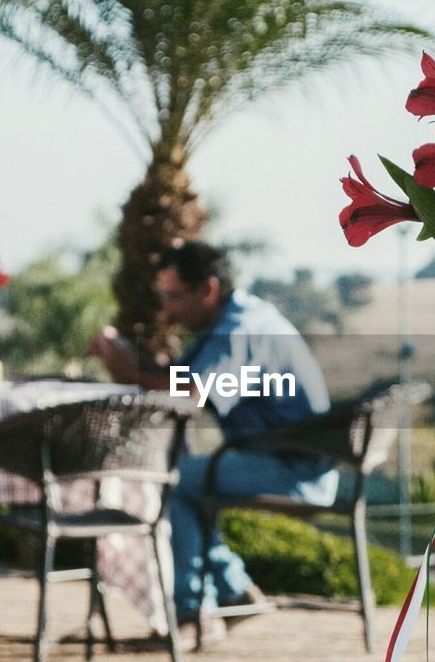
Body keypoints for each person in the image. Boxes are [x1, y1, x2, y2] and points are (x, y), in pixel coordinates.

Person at [90, 242, 337, 641]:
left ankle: (192, 615)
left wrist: (126, 371)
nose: (166, 309)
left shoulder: (238, 331)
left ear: (207, 289)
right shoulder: (233, 319)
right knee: (185, 476)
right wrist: (124, 356)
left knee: (177, 481)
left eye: (173, 296)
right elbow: (173, 377)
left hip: (297, 469)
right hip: (285, 459)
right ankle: (234, 591)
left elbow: (189, 393)